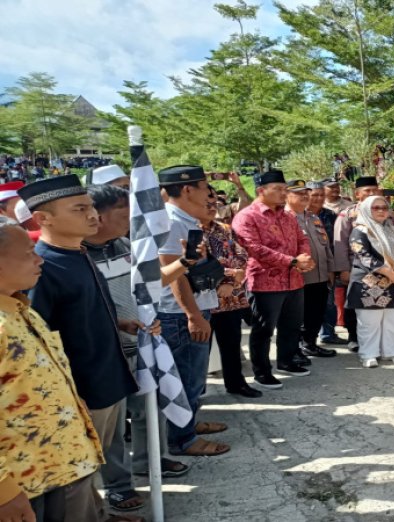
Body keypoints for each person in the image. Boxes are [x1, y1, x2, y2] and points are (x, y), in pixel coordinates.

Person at [21, 175, 151, 520]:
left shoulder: (79, 253)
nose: (92, 214)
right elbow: (39, 338)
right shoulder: (41, 267)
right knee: (77, 475)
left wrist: (116, 323)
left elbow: (79, 313)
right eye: (80, 208)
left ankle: (101, 514)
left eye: (91, 206)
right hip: (81, 389)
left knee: (98, 461)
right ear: (43, 219)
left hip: (108, 375)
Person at [84, 185, 191, 514]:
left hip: (141, 344)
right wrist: (118, 326)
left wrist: (187, 261)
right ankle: (118, 486)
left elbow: (153, 279)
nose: (131, 216)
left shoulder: (126, 246)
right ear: (98, 215)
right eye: (122, 209)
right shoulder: (78, 255)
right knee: (112, 430)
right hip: (108, 353)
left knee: (150, 409)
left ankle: (151, 462)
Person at [0, 217, 104, 522]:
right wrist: (4, 490)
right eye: (28, 253)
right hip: (26, 483)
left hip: (62, 465)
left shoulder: (19, 308)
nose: (39, 258)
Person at [155, 165, 232, 458]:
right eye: (203, 188)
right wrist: (193, 315)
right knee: (186, 377)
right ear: (187, 189)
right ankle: (182, 439)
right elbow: (174, 274)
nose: (208, 194)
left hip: (196, 305)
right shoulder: (171, 221)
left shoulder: (184, 218)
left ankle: (188, 425)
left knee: (195, 377)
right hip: (180, 313)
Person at [232, 170, 315, 389]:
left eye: (284, 189)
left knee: (292, 325)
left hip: (294, 280)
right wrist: (292, 261)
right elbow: (253, 248)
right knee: (264, 329)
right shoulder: (247, 216)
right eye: (278, 189)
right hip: (265, 282)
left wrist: (304, 257)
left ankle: (286, 361)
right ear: (261, 191)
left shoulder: (287, 215)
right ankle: (262, 371)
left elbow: (301, 238)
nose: (283, 193)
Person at [200, 186, 262, 398]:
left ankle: (236, 383)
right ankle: (198, 391)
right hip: (204, 298)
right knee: (201, 348)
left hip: (232, 297)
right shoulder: (188, 230)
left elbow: (242, 254)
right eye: (206, 205)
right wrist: (227, 275)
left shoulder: (224, 229)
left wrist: (235, 275)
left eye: (214, 205)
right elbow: (198, 264)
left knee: (232, 343)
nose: (211, 209)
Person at [347, 195, 394, 367]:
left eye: (384, 207)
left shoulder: (393, 229)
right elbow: (363, 256)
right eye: (376, 208)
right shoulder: (360, 230)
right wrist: (389, 273)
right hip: (370, 283)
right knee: (370, 322)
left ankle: (392, 351)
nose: (381, 211)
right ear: (367, 209)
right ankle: (368, 353)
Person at [334, 177, 394, 352]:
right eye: (366, 191)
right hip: (358, 270)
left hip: (385, 268)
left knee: (383, 303)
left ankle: (386, 339)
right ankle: (354, 337)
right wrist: (343, 269)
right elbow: (340, 244)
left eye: (374, 190)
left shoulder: (388, 214)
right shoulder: (347, 215)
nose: (371, 194)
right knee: (355, 305)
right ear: (357, 193)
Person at [285, 179, 337, 359]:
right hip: (300, 277)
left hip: (321, 275)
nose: (304, 197)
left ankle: (310, 344)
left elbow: (325, 245)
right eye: (299, 193)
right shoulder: (285, 218)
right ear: (287, 195)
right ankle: (296, 349)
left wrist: (331, 269)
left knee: (317, 312)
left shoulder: (313, 218)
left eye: (305, 193)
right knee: (299, 316)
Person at [307, 180, 344, 345]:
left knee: (329, 302)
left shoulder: (330, 215)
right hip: (306, 268)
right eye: (314, 195)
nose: (319, 198)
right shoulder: (299, 215)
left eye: (321, 194)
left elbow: (337, 242)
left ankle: (328, 333)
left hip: (327, 265)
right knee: (309, 306)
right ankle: (308, 340)